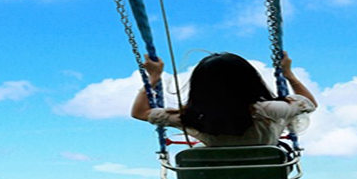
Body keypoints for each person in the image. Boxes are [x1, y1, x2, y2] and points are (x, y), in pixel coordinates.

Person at [131, 51, 316, 147]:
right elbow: (310, 103)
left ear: (198, 87)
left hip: (215, 171)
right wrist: (289, 75)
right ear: (251, 81)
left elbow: (139, 113)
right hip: (267, 165)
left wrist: (153, 78)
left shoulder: (192, 117)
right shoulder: (272, 110)